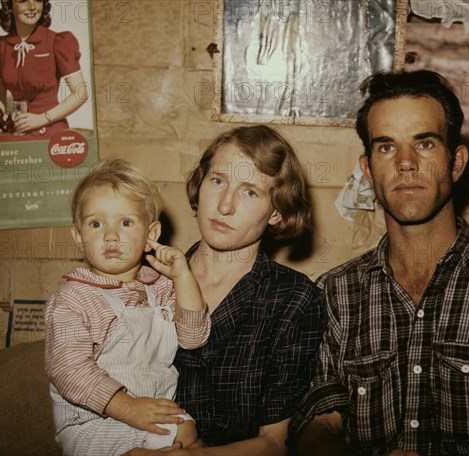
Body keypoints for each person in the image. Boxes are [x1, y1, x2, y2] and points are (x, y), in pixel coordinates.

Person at [289, 70, 469, 456]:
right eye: (386, 147)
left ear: (456, 161)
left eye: (425, 144)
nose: (404, 163)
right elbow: (316, 428)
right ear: (368, 171)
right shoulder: (332, 294)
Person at [124, 125, 325, 455]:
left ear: (276, 211)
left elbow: (275, 443)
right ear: (200, 184)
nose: (225, 205)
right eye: (217, 181)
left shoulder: (295, 300)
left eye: (250, 192)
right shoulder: (146, 281)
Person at [44, 159, 211, 455]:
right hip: (92, 420)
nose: (110, 235)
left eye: (126, 222)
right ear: (78, 237)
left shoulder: (159, 289)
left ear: (151, 234)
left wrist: (183, 277)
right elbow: (68, 368)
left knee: (187, 432)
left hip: (148, 412)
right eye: (96, 224)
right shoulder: (74, 297)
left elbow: (193, 338)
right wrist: (127, 406)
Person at [0, 0, 88, 140]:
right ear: (10, 6)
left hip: (49, 127)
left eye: (37, 0)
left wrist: (42, 119)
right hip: (15, 127)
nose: (32, 7)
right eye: (23, 1)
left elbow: (81, 93)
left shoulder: (58, 41)